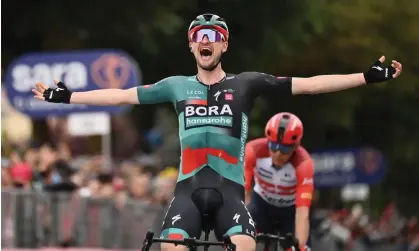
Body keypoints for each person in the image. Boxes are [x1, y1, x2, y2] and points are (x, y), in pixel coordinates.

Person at [32, 13, 402, 251]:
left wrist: (364, 77)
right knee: (168, 248)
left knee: (244, 245)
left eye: (213, 35)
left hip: (229, 193)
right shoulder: (176, 86)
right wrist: (67, 96)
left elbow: (308, 84)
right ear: (192, 46)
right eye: (198, 35)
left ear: (223, 44)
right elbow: (120, 94)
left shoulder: (246, 84)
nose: (205, 40)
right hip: (187, 191)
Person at [244, 112, 313, 251]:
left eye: (285, 148)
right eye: (273, 146)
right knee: (247, 241)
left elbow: (302, 212)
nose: (278, 153)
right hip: (261, 205)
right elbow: (243, 192)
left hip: (290, 210)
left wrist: (300, 245)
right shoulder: (252, 150)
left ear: (295, 146)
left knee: (299, 247)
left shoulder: (304, 163)